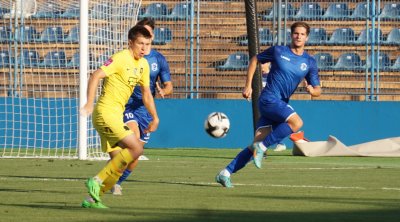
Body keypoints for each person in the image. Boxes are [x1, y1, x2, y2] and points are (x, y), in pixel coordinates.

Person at [215, 21, 321, 188]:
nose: (298, 36)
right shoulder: (279, 51)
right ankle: (263, 146)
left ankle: (225, 173)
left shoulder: (309, 62)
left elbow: (318, 90)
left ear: (307, 37)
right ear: (291, 35)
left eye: (302, 34)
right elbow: (255, 59)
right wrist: (248, 85)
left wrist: (311, 90)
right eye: (296, 33)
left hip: (280, 104)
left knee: (253, 148)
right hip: (269, 99)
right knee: (297, 122)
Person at [80, 25, 159, 208]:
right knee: (136, 149)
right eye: (140, 43)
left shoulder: (144, 64)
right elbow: (95, 75)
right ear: (130, 43)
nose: (144, 48)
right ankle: (97, 180)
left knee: (120, 162)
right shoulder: (120, 58)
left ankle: (93, 199)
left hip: (115, 115)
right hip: (105, 113)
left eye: (147, 44)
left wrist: (155, 117)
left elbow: (147, 93)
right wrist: (89, 102)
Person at [111, 18, 173, 195]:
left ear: (152, 36)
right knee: (134, 140)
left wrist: (165, 91)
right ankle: (105, 177)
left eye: (148, 35)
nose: (144, 42)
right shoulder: (127, 56)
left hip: (145, 109)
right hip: (127, 106)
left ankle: (116, 181)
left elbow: (168, 84)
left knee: (136, 153)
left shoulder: (158, 59)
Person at [261, 62, 286, 152]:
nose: (261, 65)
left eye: (263, 63)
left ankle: (280, 143)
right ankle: (279, 143)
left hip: (273, 103)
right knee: (269, 125)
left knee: (272, 124)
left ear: (268, 63)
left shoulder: (272, 75)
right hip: (263, 103)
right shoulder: (257, 78)